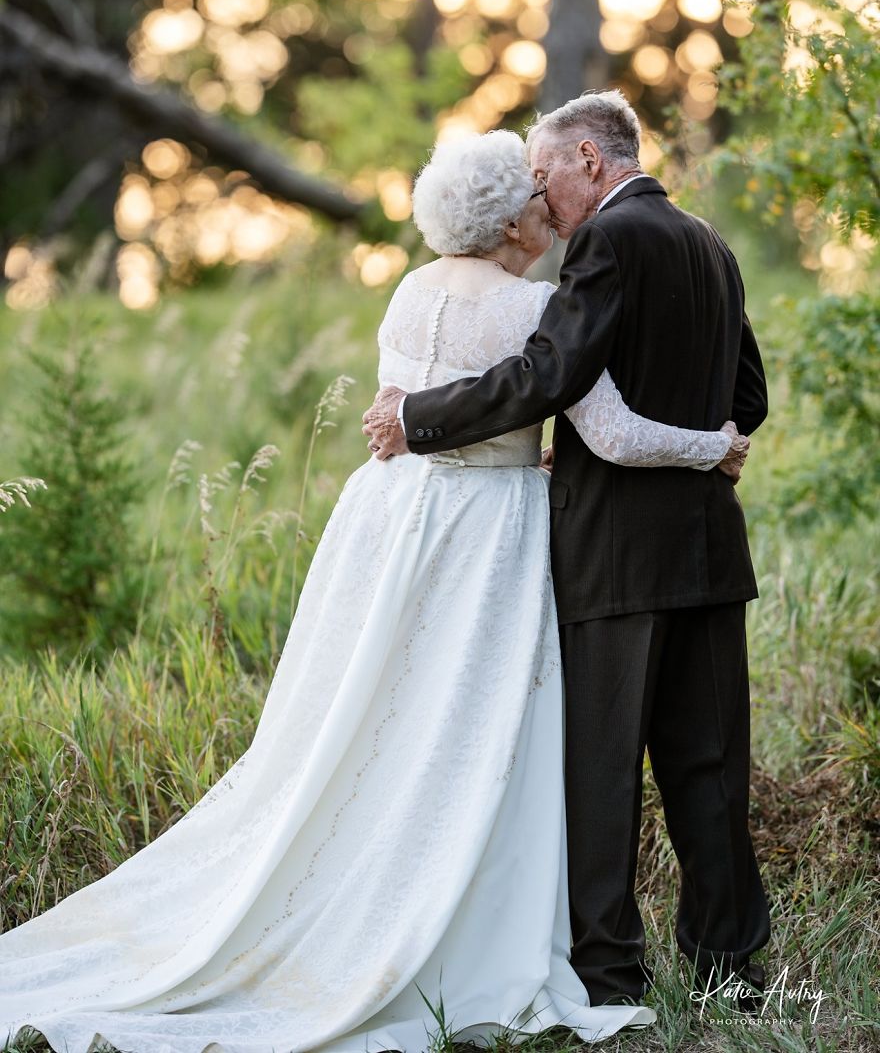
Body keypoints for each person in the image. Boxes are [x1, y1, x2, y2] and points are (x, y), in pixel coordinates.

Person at [1, 128, 747, 1053]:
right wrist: (715, 446)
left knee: (382, 725)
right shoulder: (563, 293)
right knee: (485, 736)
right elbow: (615, 420)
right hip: (490, 535)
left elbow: (426, 406)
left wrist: (436, 428)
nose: (548, 207)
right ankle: (679, 967)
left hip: (396, 525)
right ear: (513, 216)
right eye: (534, 195)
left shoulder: (406, 290)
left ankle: (373, 907)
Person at [364, 92, 772, 1012]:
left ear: (591, 158)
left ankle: (610, 976)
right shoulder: (710, 244)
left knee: (602, 772)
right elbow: (747, 396)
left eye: (547, 175)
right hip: (708, 547)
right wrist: (702, 445)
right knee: (709, 773)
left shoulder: (607, 242)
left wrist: (419, 416)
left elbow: (554, 372)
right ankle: (731, 976)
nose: (543, 200)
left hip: (615, 553)